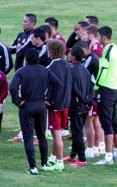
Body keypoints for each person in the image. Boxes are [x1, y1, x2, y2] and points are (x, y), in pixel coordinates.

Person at [9, 49, 62, 175]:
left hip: (27, 106)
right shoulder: (45, 70)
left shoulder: (21, 71)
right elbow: (58, 85)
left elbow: (12, 87)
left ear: (26, 59)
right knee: (41, 136)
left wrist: (17, 101)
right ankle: (44, 164)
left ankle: (33, 167)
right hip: (41, 105)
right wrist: (50, 100)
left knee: (28, 137)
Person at [93, 26, 117, 165]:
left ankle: (108, 157)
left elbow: (102, 71)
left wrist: (96, 87)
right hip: (115, 88)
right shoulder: (116, 48)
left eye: (98, 37)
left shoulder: (107, 51)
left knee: (106, 123)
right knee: (114, 120)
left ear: (104, 37)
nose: (97, 40)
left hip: (106, 89)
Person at [45, 39, 72, 171]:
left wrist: (48, 100)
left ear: (51, 51)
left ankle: (59, 162)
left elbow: (48, 88)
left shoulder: (50, 68)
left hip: (55, 105)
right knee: (58, 133)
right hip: (66, 103)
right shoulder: (68, 65)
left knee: (56, 134)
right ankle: (53, 157)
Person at [64, 47, 93, 167]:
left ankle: (82, 159)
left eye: (70, 55)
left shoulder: (70, 69)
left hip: (76, 105)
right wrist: (88, 101)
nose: (68, 56)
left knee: (77, 133)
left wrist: (84, 100)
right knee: (77, 131)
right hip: (84, 106)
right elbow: (90, 87)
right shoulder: (85, 70)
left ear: (74, 57)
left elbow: (74, 88)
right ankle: (72, 155)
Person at [76, 41, 105, 158]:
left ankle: (91, 148)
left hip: (92, 94)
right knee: (95, 121)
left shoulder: (90, 59)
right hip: (97, 93)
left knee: (88, 122)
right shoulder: (92, 57)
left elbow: (82, 75)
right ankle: (97, 147)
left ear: (83, 49)